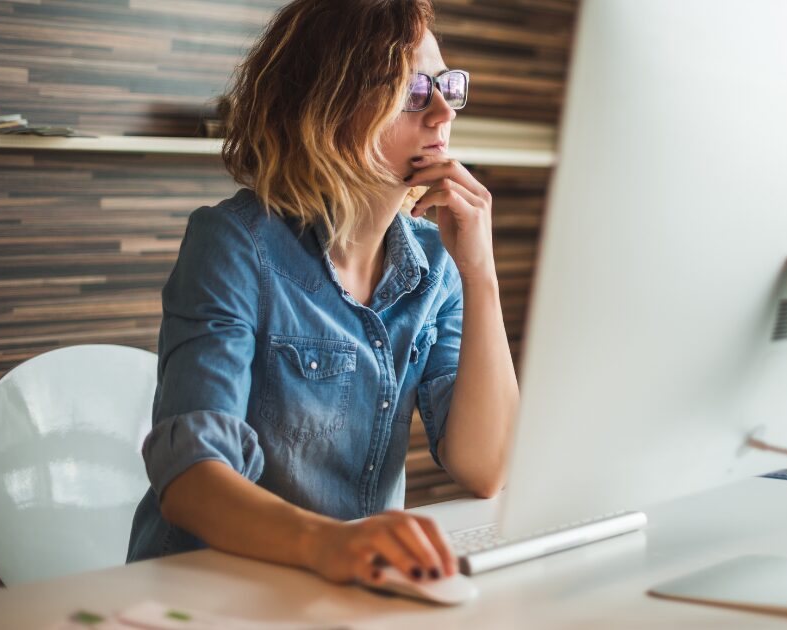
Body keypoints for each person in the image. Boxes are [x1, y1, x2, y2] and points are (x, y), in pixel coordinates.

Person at [126, 0, 518, 589]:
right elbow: (190, 478)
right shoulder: (233, 245)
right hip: (206, 592)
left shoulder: (437, 263)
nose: (442, 113)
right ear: (329, 108)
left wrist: (480, 276)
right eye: (412, 92)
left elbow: (486, 467)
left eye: (446, 86)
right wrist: (329, 543)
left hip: (346, 588)